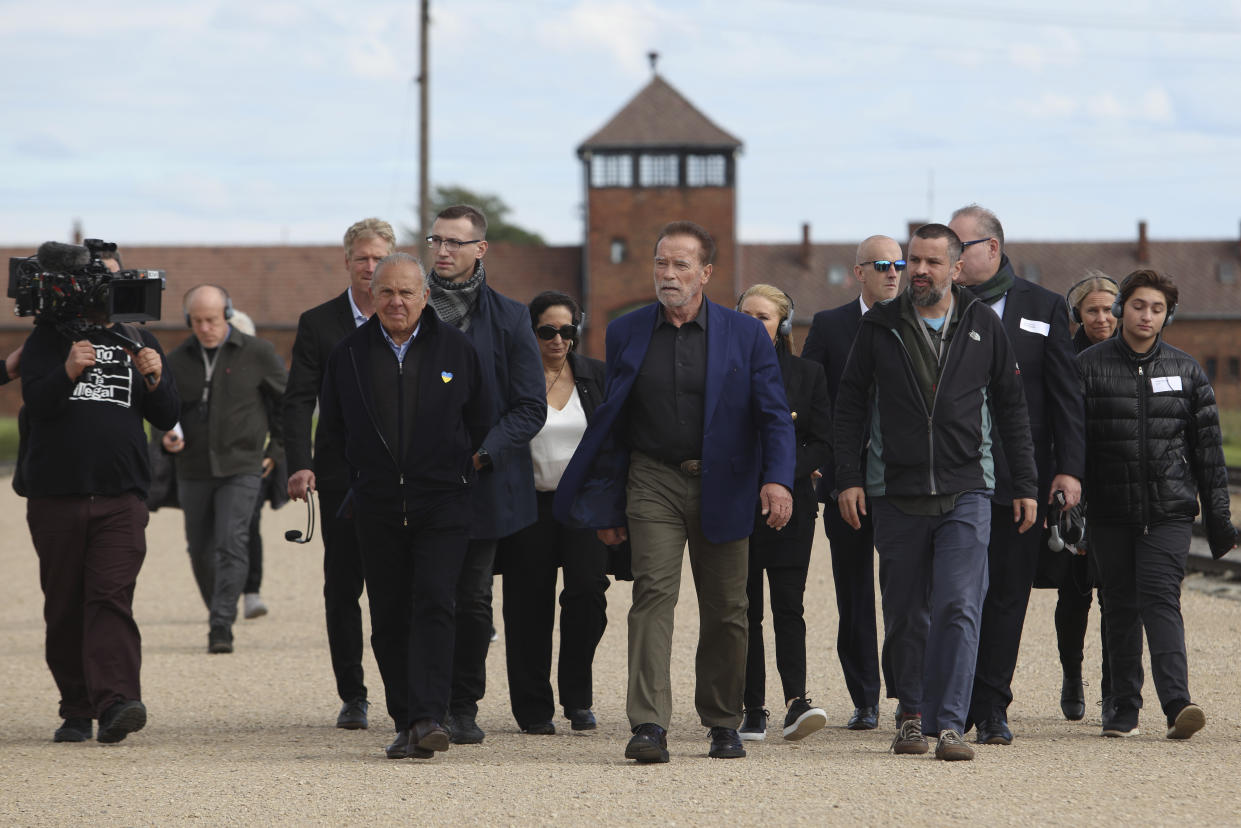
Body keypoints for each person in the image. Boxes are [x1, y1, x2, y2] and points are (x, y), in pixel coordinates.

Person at [555, 220, 795, 764]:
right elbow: (615, 425)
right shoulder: (626, 331)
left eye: (680, 265)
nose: (668, 274)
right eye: (661, 263)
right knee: (652, 598)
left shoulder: (745, 334)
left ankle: (721, 721)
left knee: (728, 609)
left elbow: (774, 416)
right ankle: (648, 725)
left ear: (706, 273)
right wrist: (609, 502)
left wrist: (777, 479)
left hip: (728, 481)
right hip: (652, 477)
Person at [834, 223, 1038, 762]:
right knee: (905, 611)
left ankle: (950, 723)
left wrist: (1025, 483)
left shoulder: (981, 324)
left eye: (929, 262)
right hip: (895, 491)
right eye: (911, 261)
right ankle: (911, 714)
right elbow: (851, 404)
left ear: (955, 268)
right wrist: (849, 478)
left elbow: (1012, 407)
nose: (917, 271)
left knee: (958, 605)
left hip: (968, 487)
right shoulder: (879, 326)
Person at [318, 252, 490, 760]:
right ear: (372, 295)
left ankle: (430, 716)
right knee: (389, 614)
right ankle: (406, 719)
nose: (396, 301)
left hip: (442, 503)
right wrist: (349, 489)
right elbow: (332, 434)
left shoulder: (457, 350)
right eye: (387, 292)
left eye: (406, 293)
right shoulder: (348, 354)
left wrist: (463, 476)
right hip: (376, 504)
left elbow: (481, 422)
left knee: (436, 601)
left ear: (424, 296)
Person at [20, 249, 180, 743]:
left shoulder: (138, 337)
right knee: (65, 604)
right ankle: (75, 707)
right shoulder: (47, 338)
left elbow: (166, 412)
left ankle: (117, 703)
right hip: (57, 496)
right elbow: (37, 407)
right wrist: (67, 369)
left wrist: (156, 375)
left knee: (110, 598)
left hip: (122, 497)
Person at [1077, 269, 1237, 740]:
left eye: (1157, 309)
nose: (1147, 315)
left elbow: (1209, 453)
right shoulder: (1087, 367)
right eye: (1139, 305)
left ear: (1168, 315)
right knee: (1120, 605)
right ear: (1122, 308)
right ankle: (1122, 709)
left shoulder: (1187, 371)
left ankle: (1177, 705)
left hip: (1167, 510)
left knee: (1162, 600)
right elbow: (1070, 444)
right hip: (1109, 510)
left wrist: (1220, 518)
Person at [948, 205, 1084, 746]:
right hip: (953, 479)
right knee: (955, 597)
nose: (953, 259)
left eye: (961, 247)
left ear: (992, 249)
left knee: (1006, 596)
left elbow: (1065, 398)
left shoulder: (1043, 307)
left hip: (1018, 482)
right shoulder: (938, 306)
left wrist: (1069, 470)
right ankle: (949, 704)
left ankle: (992, 706)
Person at [426, 204, 546, 745]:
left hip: (481, 483)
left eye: (455, 242)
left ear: (481, 249)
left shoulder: (511, 318)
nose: (443, 251)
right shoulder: (409, 309)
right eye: (436, 240)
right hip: (417, 482)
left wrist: (483, 452)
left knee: (471, 599)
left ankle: (462, 704)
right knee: (421, 594)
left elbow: (529, 406)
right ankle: (421, 703)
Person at [284, 217, 395, 729]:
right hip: (341, 474)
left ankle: (407, 688)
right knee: (343, 584)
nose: (370, 268)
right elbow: (297, 399)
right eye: (362, 259)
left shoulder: (415, 314)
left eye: (379, 258)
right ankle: (353, 693)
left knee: (398, 583)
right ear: (346, 261)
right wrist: (300, 462)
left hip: (403, 473)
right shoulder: (319, 322)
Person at [800, 234, 904, 731]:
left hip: (905, 482)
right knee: (855, 592)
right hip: (846, 482)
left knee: (906, 592)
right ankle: (865, 697)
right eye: (882, 264)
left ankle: (909, 694)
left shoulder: (919, 322)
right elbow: (816, 402)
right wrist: (831, 472)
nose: (893, 272)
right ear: (859, 271)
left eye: (899, 264)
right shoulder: (830, 326)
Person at [495, 291, 610, 735]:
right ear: (531, 331)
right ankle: (533, 707)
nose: (558, 340)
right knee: (527, 607)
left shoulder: (595, 376)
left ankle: (577, 698)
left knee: (587, 595)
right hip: (528, 506)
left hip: (583, 507)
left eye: (567, 331)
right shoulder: (514, 378)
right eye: (547, 331)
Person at [164, 285, 286, 654]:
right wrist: (165, 435)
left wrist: (277, 450)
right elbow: (162, 412)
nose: (205, 328)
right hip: (193, 468)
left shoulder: (259, 353)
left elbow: (288, 403)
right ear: (188, 321)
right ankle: (220, 606)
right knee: (199, 549)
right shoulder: (177, 360)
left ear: (228, 315)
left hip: (243, 465)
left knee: (232, 541)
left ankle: (220, 625)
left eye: (212, 320)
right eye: (197, 321)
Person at [736, 284, 832, 742]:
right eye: (747, 316)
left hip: (792, 506)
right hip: (736, 505)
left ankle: (796, 700)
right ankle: (752, 707)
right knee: (744, 607)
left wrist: (780, 478)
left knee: (788, 606)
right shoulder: (722, 371)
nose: (755, 324)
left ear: (782, 327)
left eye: (765, 317)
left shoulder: (807, 374)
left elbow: (822, 440)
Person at [1051, 271, 1119, 721]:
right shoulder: (1065, 359)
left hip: (1120, 488)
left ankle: (1114, 688)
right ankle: (1072, 675)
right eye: (1092, 310)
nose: (1103, 318)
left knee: (1118, 595)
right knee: (1075, 593)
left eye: (1110, 309)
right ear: (1078, 314)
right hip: (1078, 490)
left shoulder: (1134, 355)